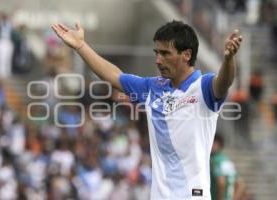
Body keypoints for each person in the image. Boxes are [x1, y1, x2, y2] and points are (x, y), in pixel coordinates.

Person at [51, 20, 242, 199]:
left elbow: (223, 82)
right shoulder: (153, 88)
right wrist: (81, 46)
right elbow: (115, 76)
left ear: (187, 55)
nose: (158, 60)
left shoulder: (203, 87)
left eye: (165, 53)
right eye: (156, 53)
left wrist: (228, 60)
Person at [210, 134, 244, 200]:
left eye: (212, 143)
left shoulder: (215, 161)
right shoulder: (227, 161)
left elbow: (221, 182)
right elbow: (240, 186)